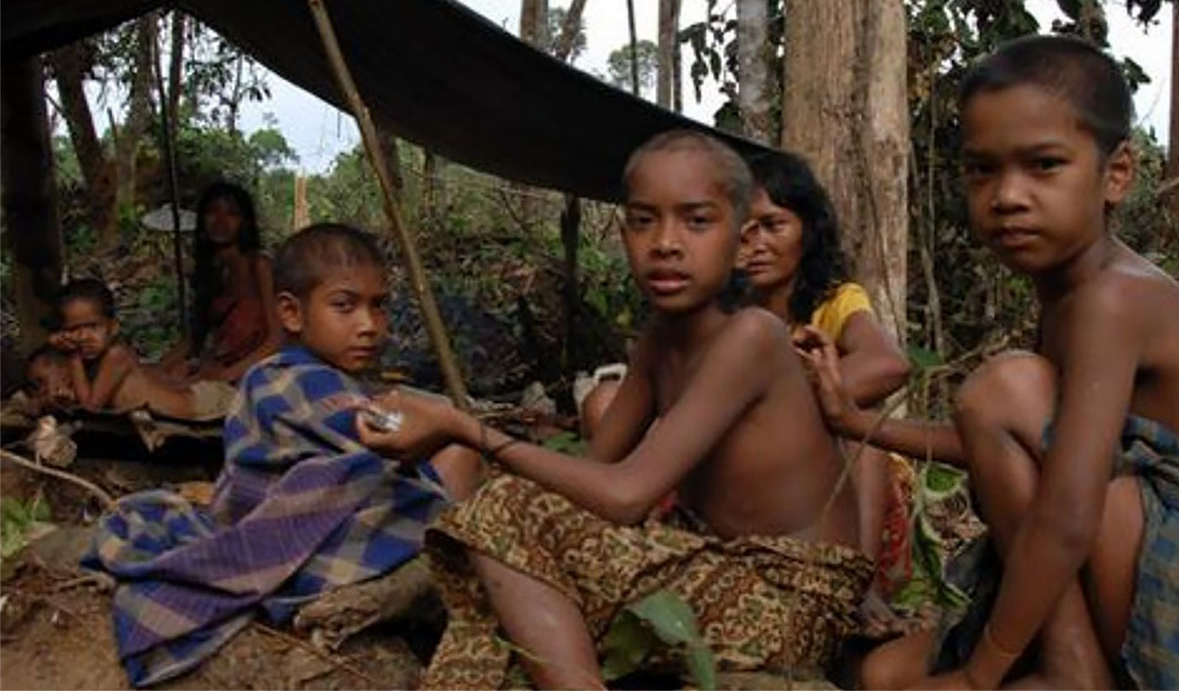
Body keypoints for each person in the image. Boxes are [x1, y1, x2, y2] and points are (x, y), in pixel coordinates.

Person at [357, 130, 874, 690]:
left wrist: (463, 427)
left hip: (794, 597)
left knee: (499, 511)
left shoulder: (753, 336)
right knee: (502, 545)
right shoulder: (659, 340)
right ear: (624, 232)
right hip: (713, 566)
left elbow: (625, 496)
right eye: (644, 221)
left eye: (697, 221)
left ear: (739, 238)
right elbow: (593, 482)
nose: (666, 243)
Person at [807, 34, 1179, 690]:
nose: (1006, 195)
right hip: (1122, 562)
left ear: (1117, 174)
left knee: (1004, 386)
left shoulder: (1114, 299)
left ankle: (1072, 671)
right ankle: (1063, 662)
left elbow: (1069, 509)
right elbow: (1002, 445)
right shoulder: (1072, 296)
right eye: (982, 170)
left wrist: (979, 675)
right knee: (880, 676)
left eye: (1043, 165)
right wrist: (856, 423)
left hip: (1178, 570)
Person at [84, 223, 479, 686]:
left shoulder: (335, 380)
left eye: (379, 306)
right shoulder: (279, 377)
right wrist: (445, 422)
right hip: (292, 533)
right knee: (457, 458)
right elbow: (369, 432)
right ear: (291, 313)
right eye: (344, 306)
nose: (369, 325)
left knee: (452, 460)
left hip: (326, 518)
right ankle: (443, 558)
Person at [739, 151, 911, 575]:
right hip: (762, 469)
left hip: (848, 485)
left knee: (860, 425)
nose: (756, 245)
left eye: (773, 226)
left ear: (807, 231)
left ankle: (861, 585)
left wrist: (786, 392)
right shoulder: (725, 313)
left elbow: (888, 364)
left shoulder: (834, 302)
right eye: (743, 232)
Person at [48, 277, 232, 420]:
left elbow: (91, 408)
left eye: (93, 327)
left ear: (113, 327)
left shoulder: (116, 355)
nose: (83, 337)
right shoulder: (94, 361)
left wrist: (72, 356)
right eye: (74, 329)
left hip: (201, 407)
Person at [157, 181, 282, 383]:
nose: (221, 221)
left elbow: (277, 339)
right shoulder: (211, 271)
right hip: (218, 365)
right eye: (213, 212)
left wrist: (227, 376)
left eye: (232, 214)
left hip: (257, 370)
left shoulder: (259, 266)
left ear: (245, 222)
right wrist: (155, 371)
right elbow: (193, 340)